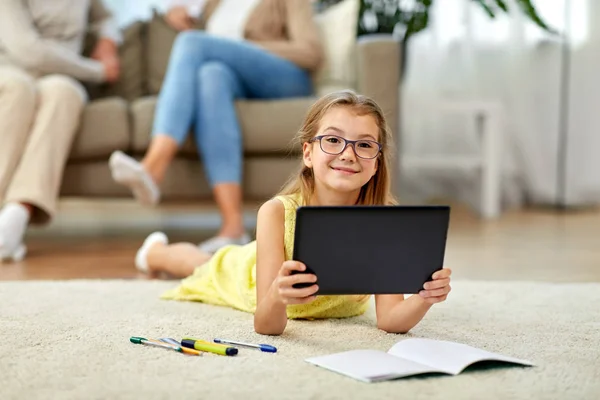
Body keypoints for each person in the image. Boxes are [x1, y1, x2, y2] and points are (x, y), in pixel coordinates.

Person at [134, 90, 453, 335]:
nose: (348, 153)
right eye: (332, 140)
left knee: (203, 262)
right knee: (204, 266)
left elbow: (390, 320)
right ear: (308, 153)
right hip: (245, 276)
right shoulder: (275, 213)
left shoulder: (386, 222)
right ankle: (155, 253)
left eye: (365, 145)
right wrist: (276, 294)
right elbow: (266, 324)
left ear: (377, 163)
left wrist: (425, 297)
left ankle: (159, 253)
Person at [108, 0, 323, 254]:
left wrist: (242, 47)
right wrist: (175, 13)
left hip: (285, 77)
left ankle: (153, 167)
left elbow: (310, 51)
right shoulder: (214, 4)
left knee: (192, 42)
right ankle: (232, 227)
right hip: (231, 75)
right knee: (211, 76)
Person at [0, 0, 121, 261]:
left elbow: (106, 16)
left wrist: (108, 40)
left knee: (64, 93)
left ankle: (16, 215)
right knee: (19, 89)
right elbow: (28, 50)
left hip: (61, 76)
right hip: (11, 69)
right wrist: (96, 71)